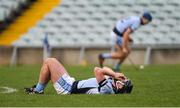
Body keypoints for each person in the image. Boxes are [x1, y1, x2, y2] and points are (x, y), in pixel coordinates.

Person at [25, 58, 133, 94]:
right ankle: (38, 90)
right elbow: (104, 68)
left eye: (123, 82)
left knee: (49, 61)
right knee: (50, 63)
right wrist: (115, 75)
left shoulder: (108, 89)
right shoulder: (111, 84)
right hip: (72, 83)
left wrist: (114, 74)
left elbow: (97, 70)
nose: (122, 81)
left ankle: (38, 91)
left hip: (68, 89)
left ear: (120, 88)